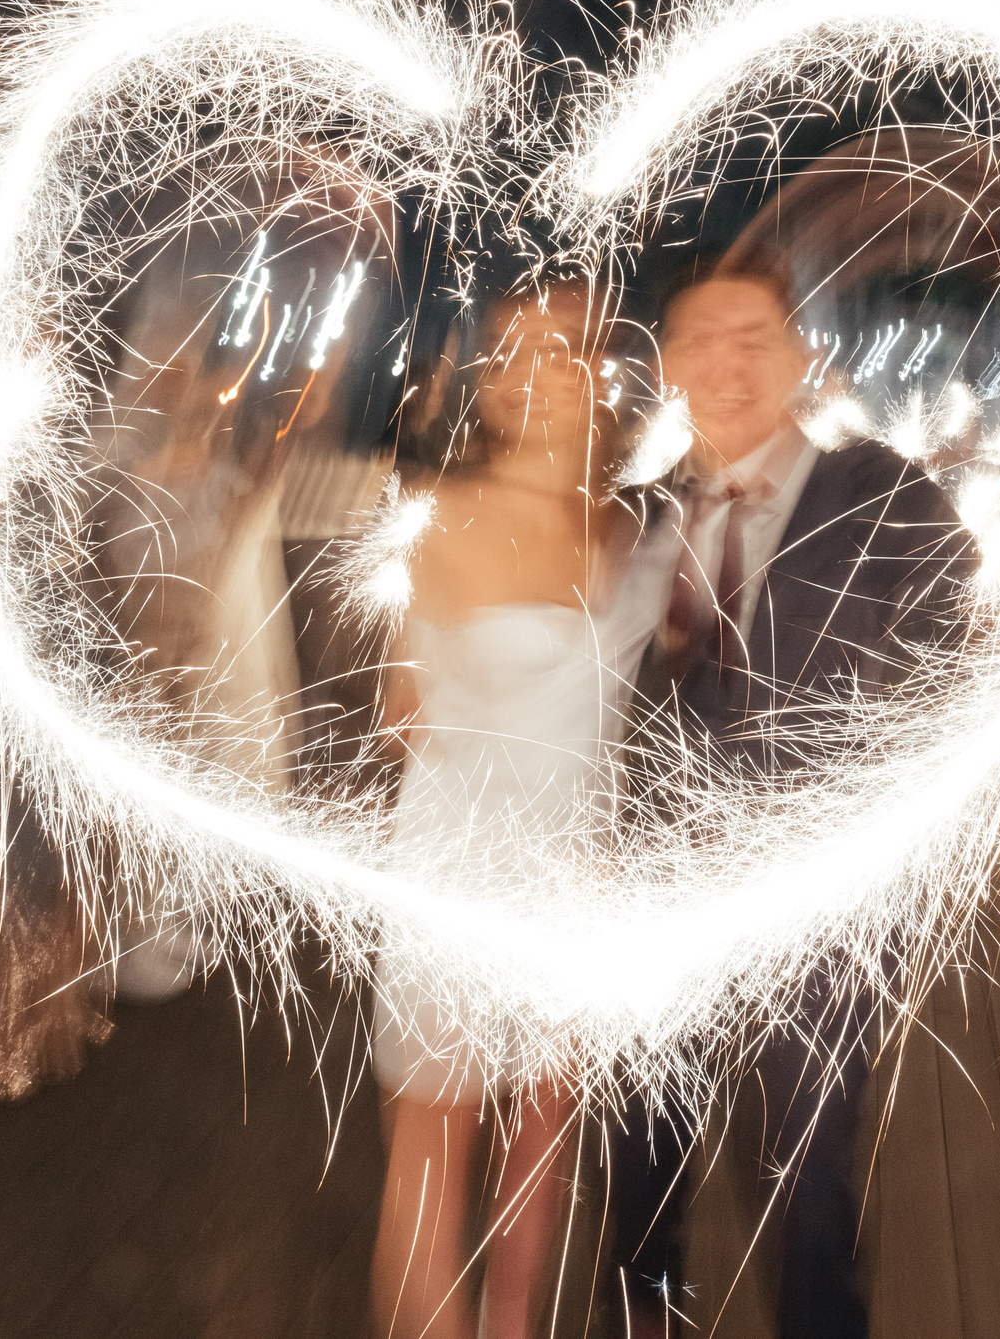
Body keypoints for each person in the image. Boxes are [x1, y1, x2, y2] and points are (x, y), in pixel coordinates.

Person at [606, 256, 972, 1339]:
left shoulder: (885, 493)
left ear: (803, 355)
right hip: (658, 890)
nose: (728, 362)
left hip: (820, 906)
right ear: (669, 365)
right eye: (701, 340)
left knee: (810, 1165)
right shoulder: (640, 517)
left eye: (754, 336)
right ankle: (649, 1312)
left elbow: (958, 665)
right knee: (643, 1145)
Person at [368, 284, 639, 1339]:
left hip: (579, 877)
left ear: (602, 374)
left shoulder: (631, 524)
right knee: (435, 1158)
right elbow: (403, 708)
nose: (530, 372)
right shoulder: (439, 516)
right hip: (464, 878)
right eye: (507, 351)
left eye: (560, 349)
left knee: (540, 1153)